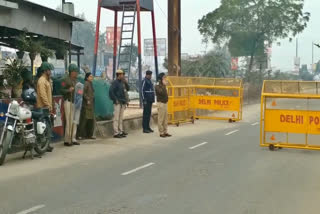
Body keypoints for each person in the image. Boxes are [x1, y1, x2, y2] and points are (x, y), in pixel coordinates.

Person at [36, 62, 55, 152]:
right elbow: (43, 95)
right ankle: (43, 145)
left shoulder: (46, 80)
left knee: (47, 126)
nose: (50, 72)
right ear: (45, 71)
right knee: (43, 127)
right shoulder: (42, 81)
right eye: (49, 70)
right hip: (43, 107)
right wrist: (47, 104)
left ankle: (46, 145)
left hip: (46, 107)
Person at [61, 64, 80, 146]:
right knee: (69, 121)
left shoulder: (77, 81)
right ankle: (67, 140)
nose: (76, 74)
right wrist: (68, 90)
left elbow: (79, 91)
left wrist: (79, 92)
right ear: (71, 72)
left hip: (75, 102)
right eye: (75, 72)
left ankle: (73, 138)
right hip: (68, 101)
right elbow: (61, 90)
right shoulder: (65, 80)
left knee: (74, 121)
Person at [109, 70, 127, 138]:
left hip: (122, 102)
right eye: (122, 74)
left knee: (120, 118)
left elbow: (126, 90)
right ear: (119, 75)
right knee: (116, 118)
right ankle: (116, 133)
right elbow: (111, 92)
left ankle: (120, 131)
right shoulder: (115, 83)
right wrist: (115, 99)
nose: (123, 76)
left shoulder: (122, 82)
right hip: (117, 102)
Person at [78, 72, 96, 140]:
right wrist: (87, 99)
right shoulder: (86, 83)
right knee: (84, 120)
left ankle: (90, 135)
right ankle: (80, 135)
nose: (92, 78)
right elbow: (82, 93)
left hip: (91, 105)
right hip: (86, 105)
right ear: (87, 77)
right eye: (90, 76)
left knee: (91, 121)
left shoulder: (91, 83)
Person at [155, 73, 172, 138]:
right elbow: (161, 92)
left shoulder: (164, 85)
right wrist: (163, 85)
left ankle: (165, 131)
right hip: (161, 103)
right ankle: (161, 132)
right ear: (160, 79)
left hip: (165, 103)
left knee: (165, 119)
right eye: (164, 78)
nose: (165, 79)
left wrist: (164, 85)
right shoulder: (157, 85)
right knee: (161, 119)